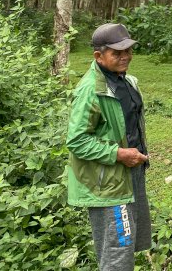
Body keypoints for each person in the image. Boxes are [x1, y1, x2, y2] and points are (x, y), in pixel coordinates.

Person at [66, 23, 151, 271]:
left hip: (129, 175)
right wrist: (118, 153)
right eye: (117, 52)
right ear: (98, 56)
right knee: (117, 253)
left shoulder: (126, 81)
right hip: (109, 185)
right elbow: (77, 141)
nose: (125, 57)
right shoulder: (89, 91)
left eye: (128, 51)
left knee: (127, 246)